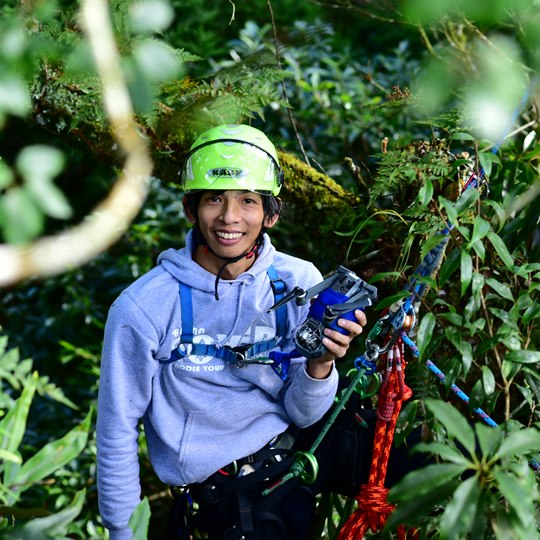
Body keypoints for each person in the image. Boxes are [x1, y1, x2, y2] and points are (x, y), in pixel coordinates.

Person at [96, 124, 368, 539]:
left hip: (291, 454)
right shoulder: (144, 307)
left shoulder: (299, 281)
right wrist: (121, 531)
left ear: (270, 214)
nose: (229, 218)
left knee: (412, 457)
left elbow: (304, 412)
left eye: (247, 201)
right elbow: (116, 429)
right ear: (191, 209)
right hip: (218, 494)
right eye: (214, 199)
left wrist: (321, 364)